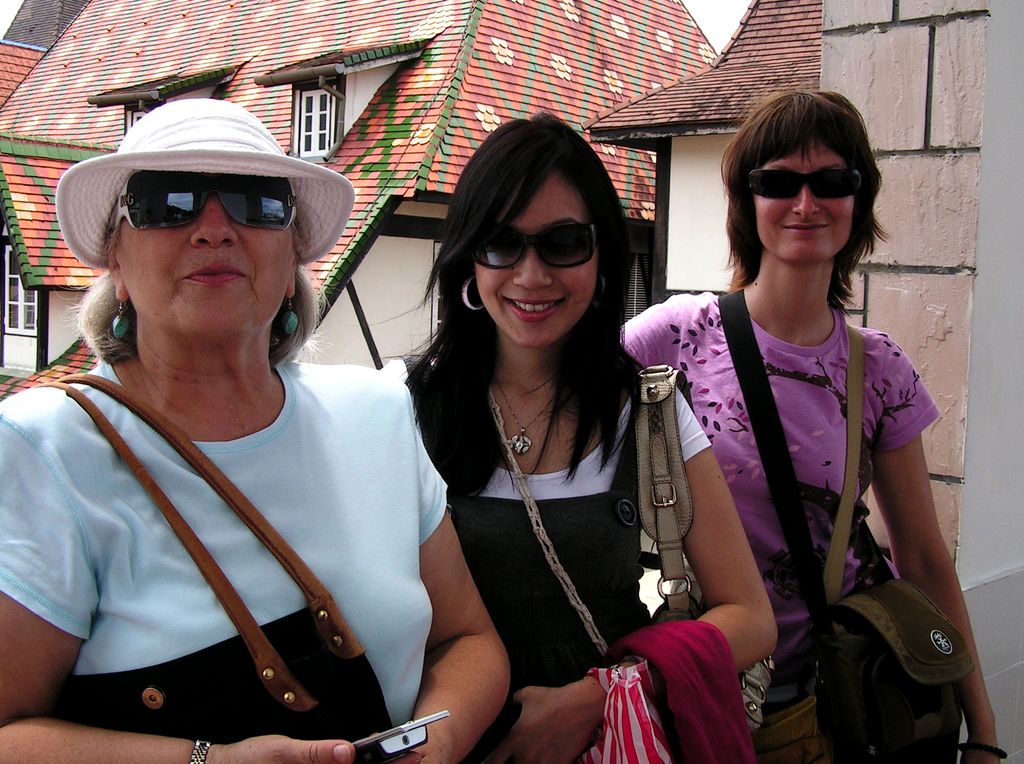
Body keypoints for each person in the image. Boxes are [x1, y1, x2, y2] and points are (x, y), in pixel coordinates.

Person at [0, 98, 508, 764]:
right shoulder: (46, 449)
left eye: (256, 201)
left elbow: (468, 641)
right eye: (167, 202)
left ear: (293, 248)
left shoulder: (377, 413)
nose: (214, 229)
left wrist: (435, 746)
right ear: (114, 260)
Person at [625, 89, 1000, 762]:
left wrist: (985, 731)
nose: (806, 203)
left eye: (831, 180)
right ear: (748, 198)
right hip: (696, 685)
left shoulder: (879, 369)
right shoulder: (675, 336)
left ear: (858, 200)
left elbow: (922, 555)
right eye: (779, 182)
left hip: (827, 701)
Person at [405, 113, 776, 764]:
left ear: (602, 254)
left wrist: (606, 694)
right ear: (469, 256)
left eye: (563, 242)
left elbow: (750, 615)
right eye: (501, 243)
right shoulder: (402, 416)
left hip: (614, 744)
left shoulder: (648, 413)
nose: (530, 275)